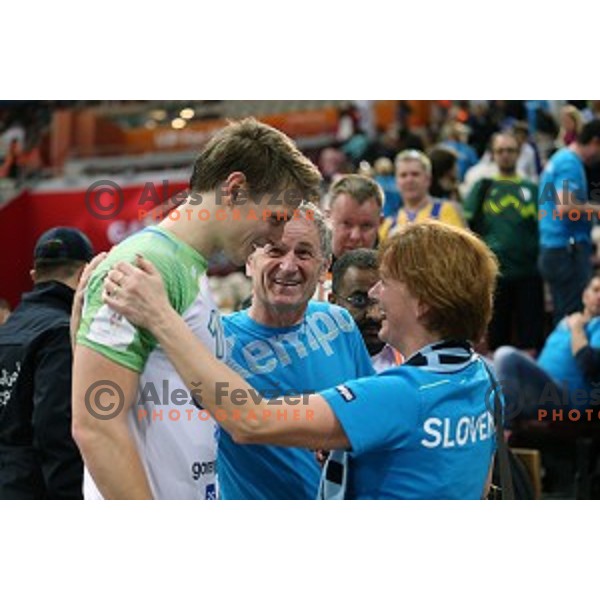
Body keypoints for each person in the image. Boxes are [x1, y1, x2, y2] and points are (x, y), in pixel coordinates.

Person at [101, 221, 500, 500]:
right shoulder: (481, 376)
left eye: (387, 283)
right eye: (275, 249)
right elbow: (479, 487)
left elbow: (250, 420)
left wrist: (159, 315)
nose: (375, 293)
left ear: (423, 304)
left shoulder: (399, 394)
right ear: (250, 261)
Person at [72, 118, 322, 500]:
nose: (275, 237)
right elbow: (96, 425)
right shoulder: (145, 263)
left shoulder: (187, 267)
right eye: (275, 218)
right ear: (235, 189)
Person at [218, 204, 374, 499]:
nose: (289, 266)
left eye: (304, 253)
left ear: (323, 266)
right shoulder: (215, 341)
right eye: (275, 251)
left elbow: (368, 423)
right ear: (250, 261)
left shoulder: (338, 323)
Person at [0, 227, 94, 499]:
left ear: (34, 276)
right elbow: (55, 429)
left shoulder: (8, 329)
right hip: (38, 489)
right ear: (84, 274)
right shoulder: (61, 333)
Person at [464, 132, 542, 354]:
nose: (505, 155)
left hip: (528, 273)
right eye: (500, 151)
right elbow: (468, 226)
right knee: (496, 339)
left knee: (530, 338)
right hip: (494, 274)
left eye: (510, 150)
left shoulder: (533, 188)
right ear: (493, 154)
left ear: (518, 154)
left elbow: (543, 227)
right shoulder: (483, 187)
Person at [495, 275, 600, 421]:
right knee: (482, 363)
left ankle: (503, 430)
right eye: (596, 290)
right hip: (536, 388)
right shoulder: (566, 321)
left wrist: (577, 327)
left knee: (505, 355)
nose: (599, 296)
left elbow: (589, 364)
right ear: (585, 296)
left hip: (565, 397)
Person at [538, 119, 600, 323]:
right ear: (595, 142)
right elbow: (565, 206)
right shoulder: (569, 164)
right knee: (573, 318)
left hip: (557, 248)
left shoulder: (561, 159)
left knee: (564, 314)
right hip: (566, 250)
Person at [329, 248, 401, 372]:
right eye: (359, 300)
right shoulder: (313, 360)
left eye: (381, 301)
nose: (374, 314)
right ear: (333, 302)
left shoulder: (412, 358)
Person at [316, 174, 383, 300]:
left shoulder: (393, 275)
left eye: (366, 226)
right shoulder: (307, 267)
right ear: (327, 218)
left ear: (381, 222)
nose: (355, 236)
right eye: (346, 224)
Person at [380, 150, 466, 240]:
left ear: (428, 179)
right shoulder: (388, 225)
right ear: (396, 181)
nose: (409, 180)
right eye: (403, 175)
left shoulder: (448, 210)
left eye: (415, 174)